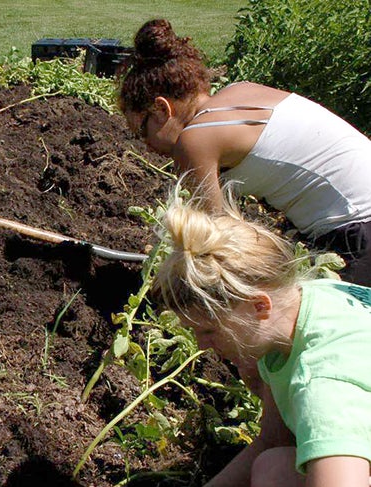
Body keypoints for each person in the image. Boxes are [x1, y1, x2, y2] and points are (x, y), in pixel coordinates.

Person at [133, 186, 371, 487]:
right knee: (273, 473)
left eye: (210, 331)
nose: (201, 345)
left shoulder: (325, 385)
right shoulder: (304, 307)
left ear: (260, 306)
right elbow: (275, 440)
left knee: (279, 486)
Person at [118, 18, 371, 287]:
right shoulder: (240, 91)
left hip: (357, 229)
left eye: (142, 131)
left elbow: (218, 239)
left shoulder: (194, 142)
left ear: (162, 109)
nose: (144, 144)